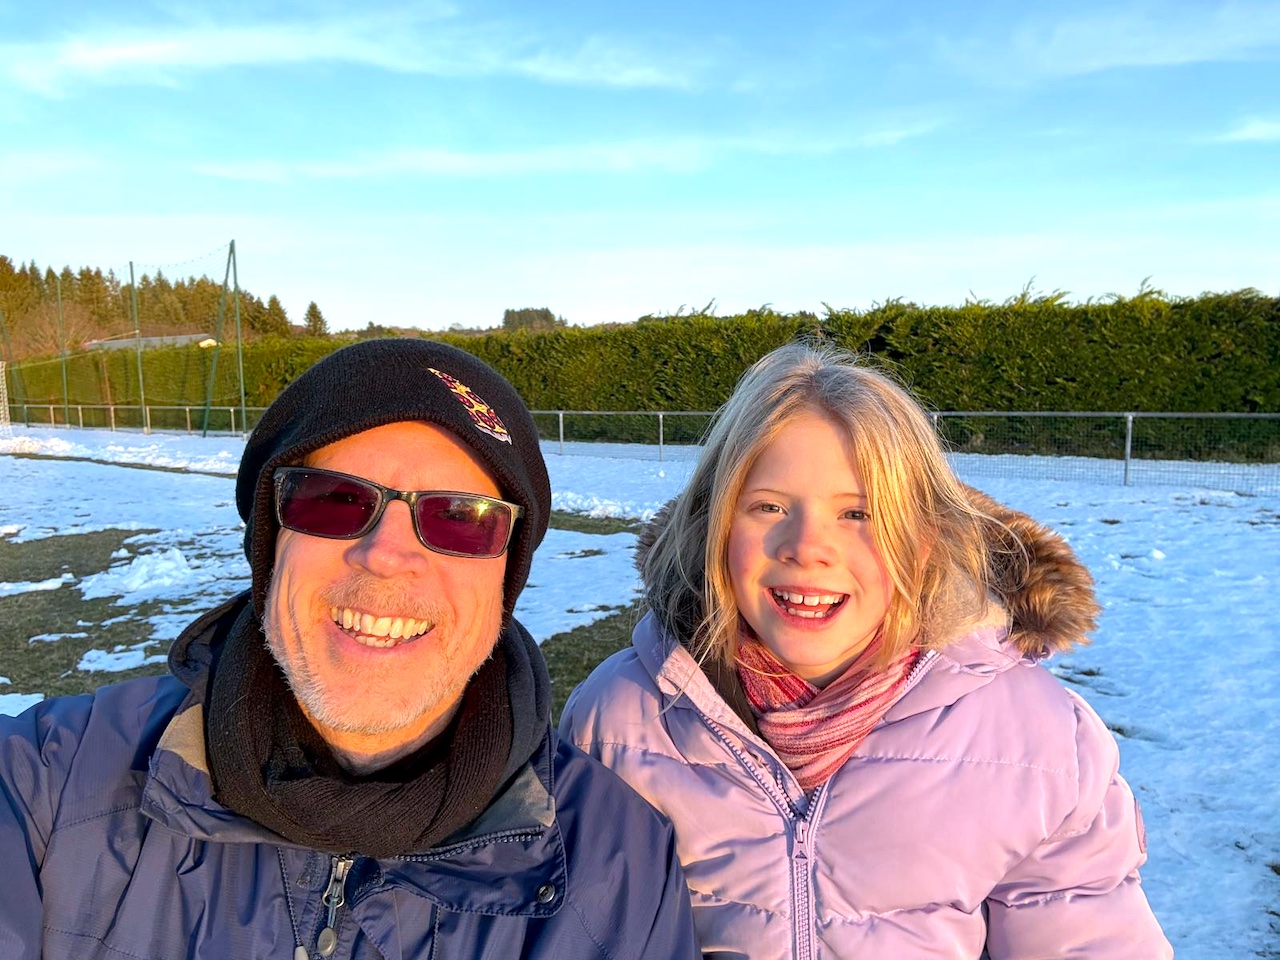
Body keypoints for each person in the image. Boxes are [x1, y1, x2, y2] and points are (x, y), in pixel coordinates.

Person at [0, 338, 699, 960]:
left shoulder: (621, 867)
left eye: (460, 518)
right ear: (269, 543)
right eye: (333, 500)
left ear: (506, 576)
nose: (386, 556)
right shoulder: (49, 784)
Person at [561, 340, 1172, 959]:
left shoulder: (1036, 741)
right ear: (716, 528)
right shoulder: (620, 719)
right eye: (768, 506)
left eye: (858, 514)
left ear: (923, 540)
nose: (807, 547)